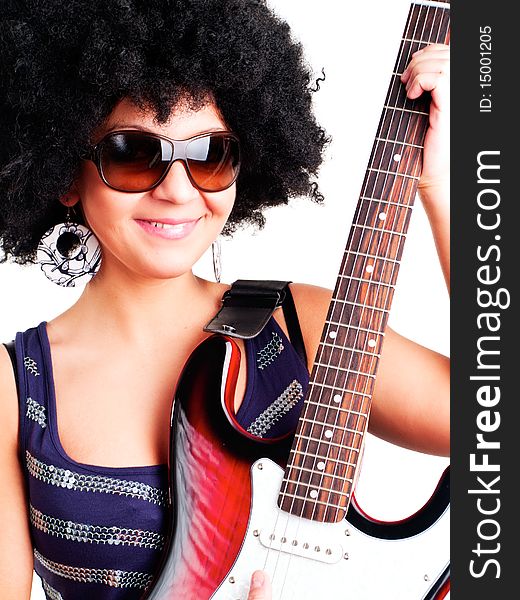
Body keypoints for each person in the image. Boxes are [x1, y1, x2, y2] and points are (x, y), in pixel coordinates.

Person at [0, 1, 449, 599]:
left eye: (210, 155)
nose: (178, 191)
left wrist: (444, 186)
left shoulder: (302, 327)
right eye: (134, 154)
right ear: (62, 172)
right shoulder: (16, 386)